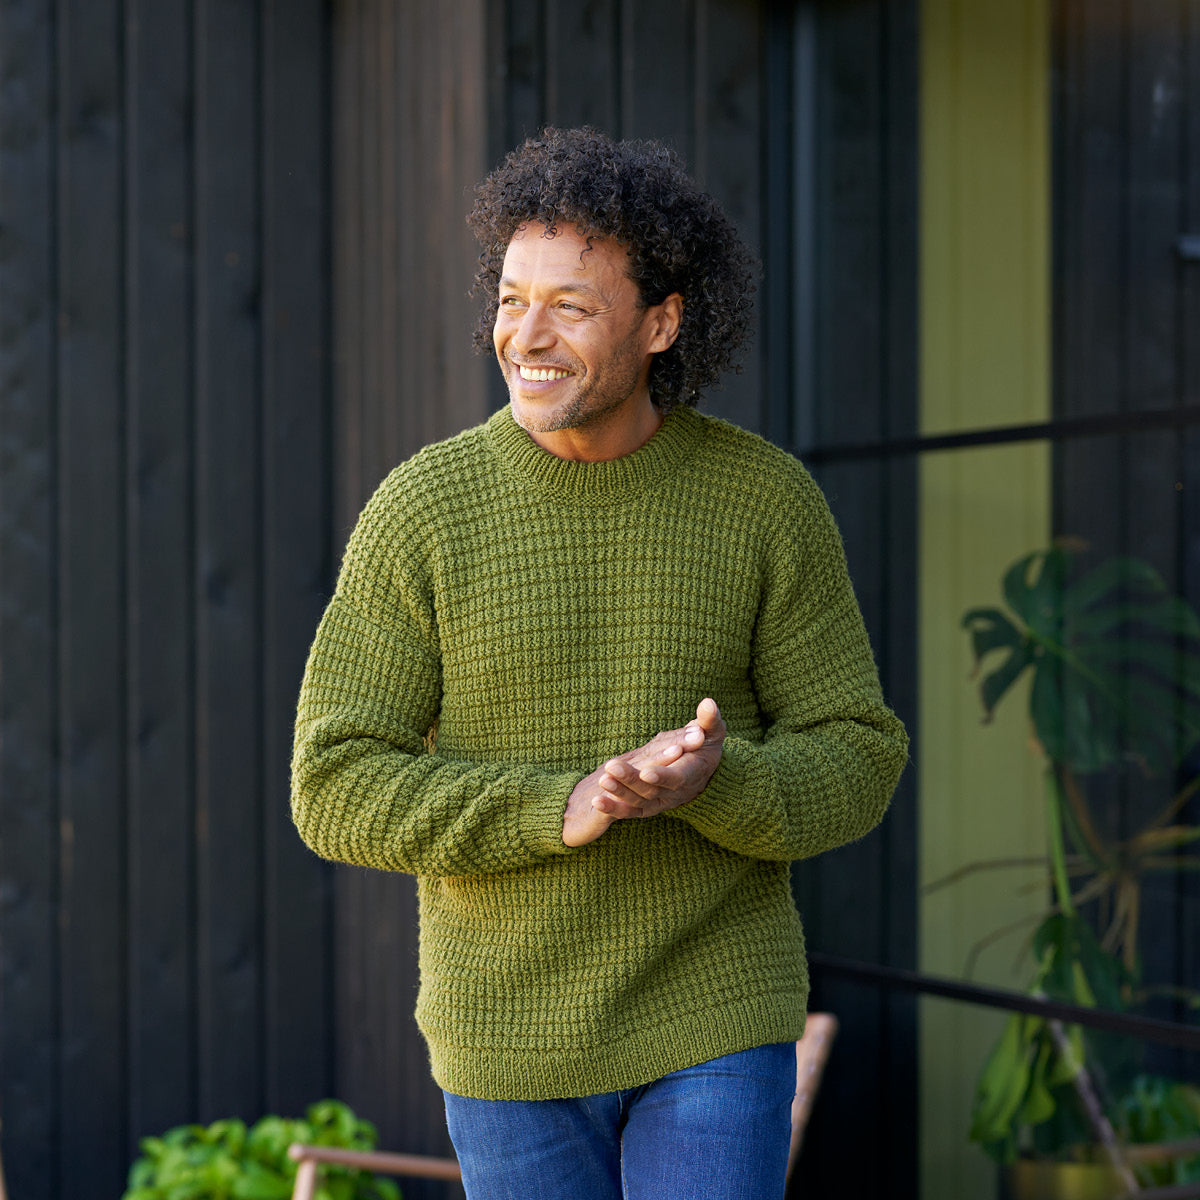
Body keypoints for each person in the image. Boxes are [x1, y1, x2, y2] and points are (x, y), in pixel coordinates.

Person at [291, 126, 908, 1200]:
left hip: (715, 1006)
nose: (526, 335)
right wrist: (560, 803)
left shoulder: (764, 502)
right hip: (507, 1036)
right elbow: (333, 783)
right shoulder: (422, 512)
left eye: (569, 306)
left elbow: (859, 757)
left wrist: (724, 783)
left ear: (662, 323)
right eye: (511, 298)